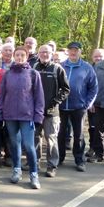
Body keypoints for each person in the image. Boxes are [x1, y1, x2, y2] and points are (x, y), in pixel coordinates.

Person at [0, 46, 44, 189]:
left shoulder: (33, 74)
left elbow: (39, 97)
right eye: (17, 55)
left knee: (29, 146)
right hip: (10, 115)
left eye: (22, 55)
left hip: (27, 116)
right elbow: (2, 95)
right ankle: (16, 169)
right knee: (14, 145)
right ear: (14, 56)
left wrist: (38, 116)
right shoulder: (7, 74)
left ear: (27, 56)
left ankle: (34, 174)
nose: (19, 57)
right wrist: (0, 113)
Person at [58, 42, 98, 173]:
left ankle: (79, 160)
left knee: (79, 135)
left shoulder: (87, 67)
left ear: (80, 52)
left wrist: (87, 104)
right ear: (67, 52)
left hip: (79, 107)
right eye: (71, 50)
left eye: (76, 50)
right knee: (60, 134)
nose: (73, 52)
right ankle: (59, 157)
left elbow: (94, 88)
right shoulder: (60, 66)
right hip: (61, 107)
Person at [33, 45, 70, 177]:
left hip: (51, 111)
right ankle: (35, 163)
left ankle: (51, 166)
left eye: (47, 52)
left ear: (52, 54)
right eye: (42, 52)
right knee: (35, 137)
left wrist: (55, 102)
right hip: (35, 111)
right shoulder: (34, 68)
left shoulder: (57, 69)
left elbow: (66, 89)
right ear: (38, 53)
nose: (44, 54)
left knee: (51, 138)